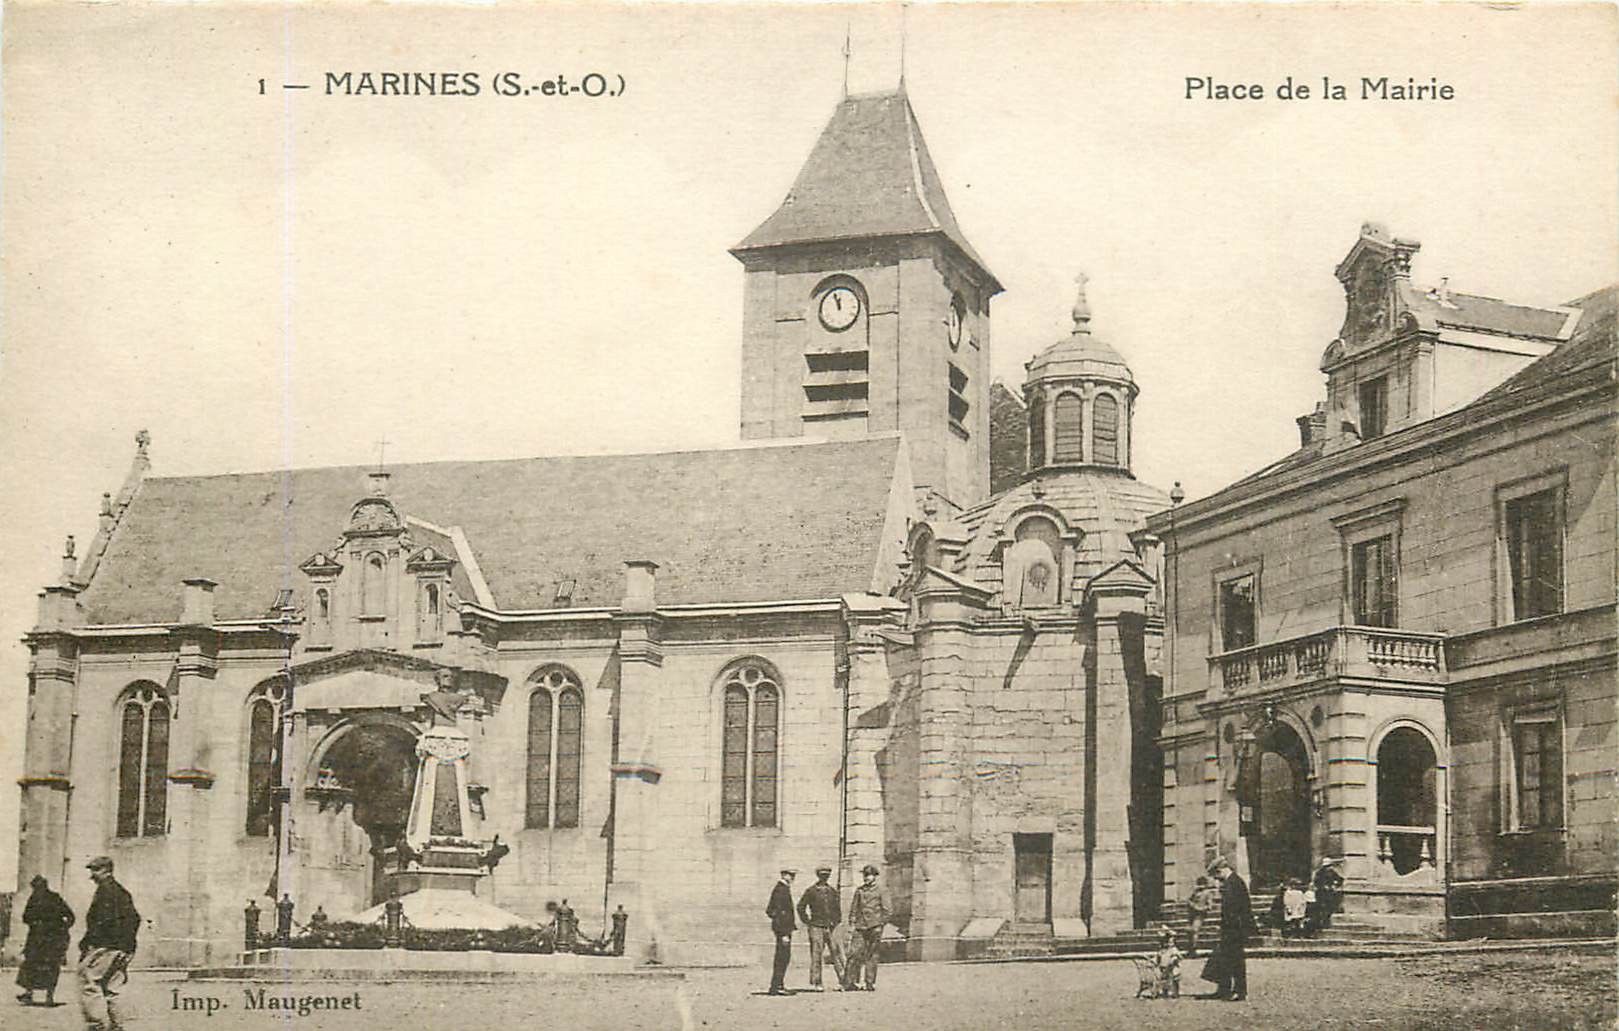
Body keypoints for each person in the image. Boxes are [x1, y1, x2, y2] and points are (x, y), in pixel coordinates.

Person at [78, 856, 140, 1031]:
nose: (92, 875)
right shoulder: (122, 892)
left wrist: (89, 942)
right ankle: (117, 1026)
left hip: (105, 947)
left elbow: (101, 921)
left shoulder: (105, 891)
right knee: (114, 988)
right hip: (122, 948)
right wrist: (128, 946)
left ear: (107, 870)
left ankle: (96, 1026)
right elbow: (135, 919)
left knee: (89, 983)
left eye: (95, 870)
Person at [1199, 856, 1256, 1002]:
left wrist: (1237, 929)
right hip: (1230, 928)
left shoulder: (1234, 883)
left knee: (1236, 960)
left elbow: (1238, 910)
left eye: (1217, 876)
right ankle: (1223, 989)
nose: (1217, 880)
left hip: (1235, 929)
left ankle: (1240, 991)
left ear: (1221, 870)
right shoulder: (1231, 882)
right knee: (1224, 958)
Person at [17, 875, 74, 1006]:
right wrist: (62, 928)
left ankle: (32, 994)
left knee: (34, 965)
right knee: (47, 966)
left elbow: (25, 918)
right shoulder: (54, 898)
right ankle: (44, 996)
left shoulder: (35, 899)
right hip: (50, 940)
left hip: (40, 939)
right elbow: (70, 917)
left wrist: (38, 923)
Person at [796, 865, 846, 991]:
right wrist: (808, 922)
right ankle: (817, 982)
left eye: (827, 875)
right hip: (816, 926)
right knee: (816, 955)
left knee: (838, 953)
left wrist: (837, 921)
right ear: (818, 876)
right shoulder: (811, 891)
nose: (824, 877)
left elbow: (837, 908)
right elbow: (801, 907)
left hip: (832, 926)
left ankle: (844, 980)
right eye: (822, 875)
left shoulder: (832, 891)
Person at [843, 864, 888, 992]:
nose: (866, 878)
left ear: (874, 876)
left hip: (874, 927)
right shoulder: (859, 891)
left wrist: (880, 925)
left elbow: (887, 910)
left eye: (868, 875)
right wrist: (852, 924)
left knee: (872, 955)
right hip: (860, 927)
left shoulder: (881, 890)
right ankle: (849, 982)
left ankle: (870, 982)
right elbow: (853, 909)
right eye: (865, 875)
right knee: (854, 954)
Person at [764, 868, 797, 996]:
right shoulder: (781, 889)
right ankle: (777, 986)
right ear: (783, 875)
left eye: (793, 875)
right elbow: (774, 911)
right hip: (783, 930)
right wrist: (782, 932)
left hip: (784, 929)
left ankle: (778, 985)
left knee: (783, 957)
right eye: (790, 875)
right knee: (782, 958)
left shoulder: (783, 888)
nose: (792, 877)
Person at [1307, 858, 1345, 934]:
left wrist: (1335, 885)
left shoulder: (1330, 872)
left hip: (1327, 892)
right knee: (1322, 907)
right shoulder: (1320, 872)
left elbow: (1340, 879)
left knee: (1327, 908)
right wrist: (1324, 886)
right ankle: (1321, 923)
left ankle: (1324, 922)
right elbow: (1316, 882)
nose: (1328, 867)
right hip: (1322, 892)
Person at [1185, 875, 1217, 956]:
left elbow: (1210, 906)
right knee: (1189, 931)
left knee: (1195, 930)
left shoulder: (1207, 893)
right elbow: (1189, 900)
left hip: (1200, 915)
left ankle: (1193, 949)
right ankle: (1190, 949)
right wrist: (1191, 904)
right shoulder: (1195, 892)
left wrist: (1199, 908)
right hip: (1191, 914)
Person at [1151, 926, 1183, 998]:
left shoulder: (1173, 949)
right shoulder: (1162, 950)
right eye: (1163, 942)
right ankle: (1165, 992)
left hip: (1172, 968)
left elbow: (1176, 956)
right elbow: (1157, 957)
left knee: (1174, 979)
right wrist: (1154, 961)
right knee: (1164, 979)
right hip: (1163, 967)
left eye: (1166, 941)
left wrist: (1173, 959)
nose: (1165, 943)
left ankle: (1175, 992)